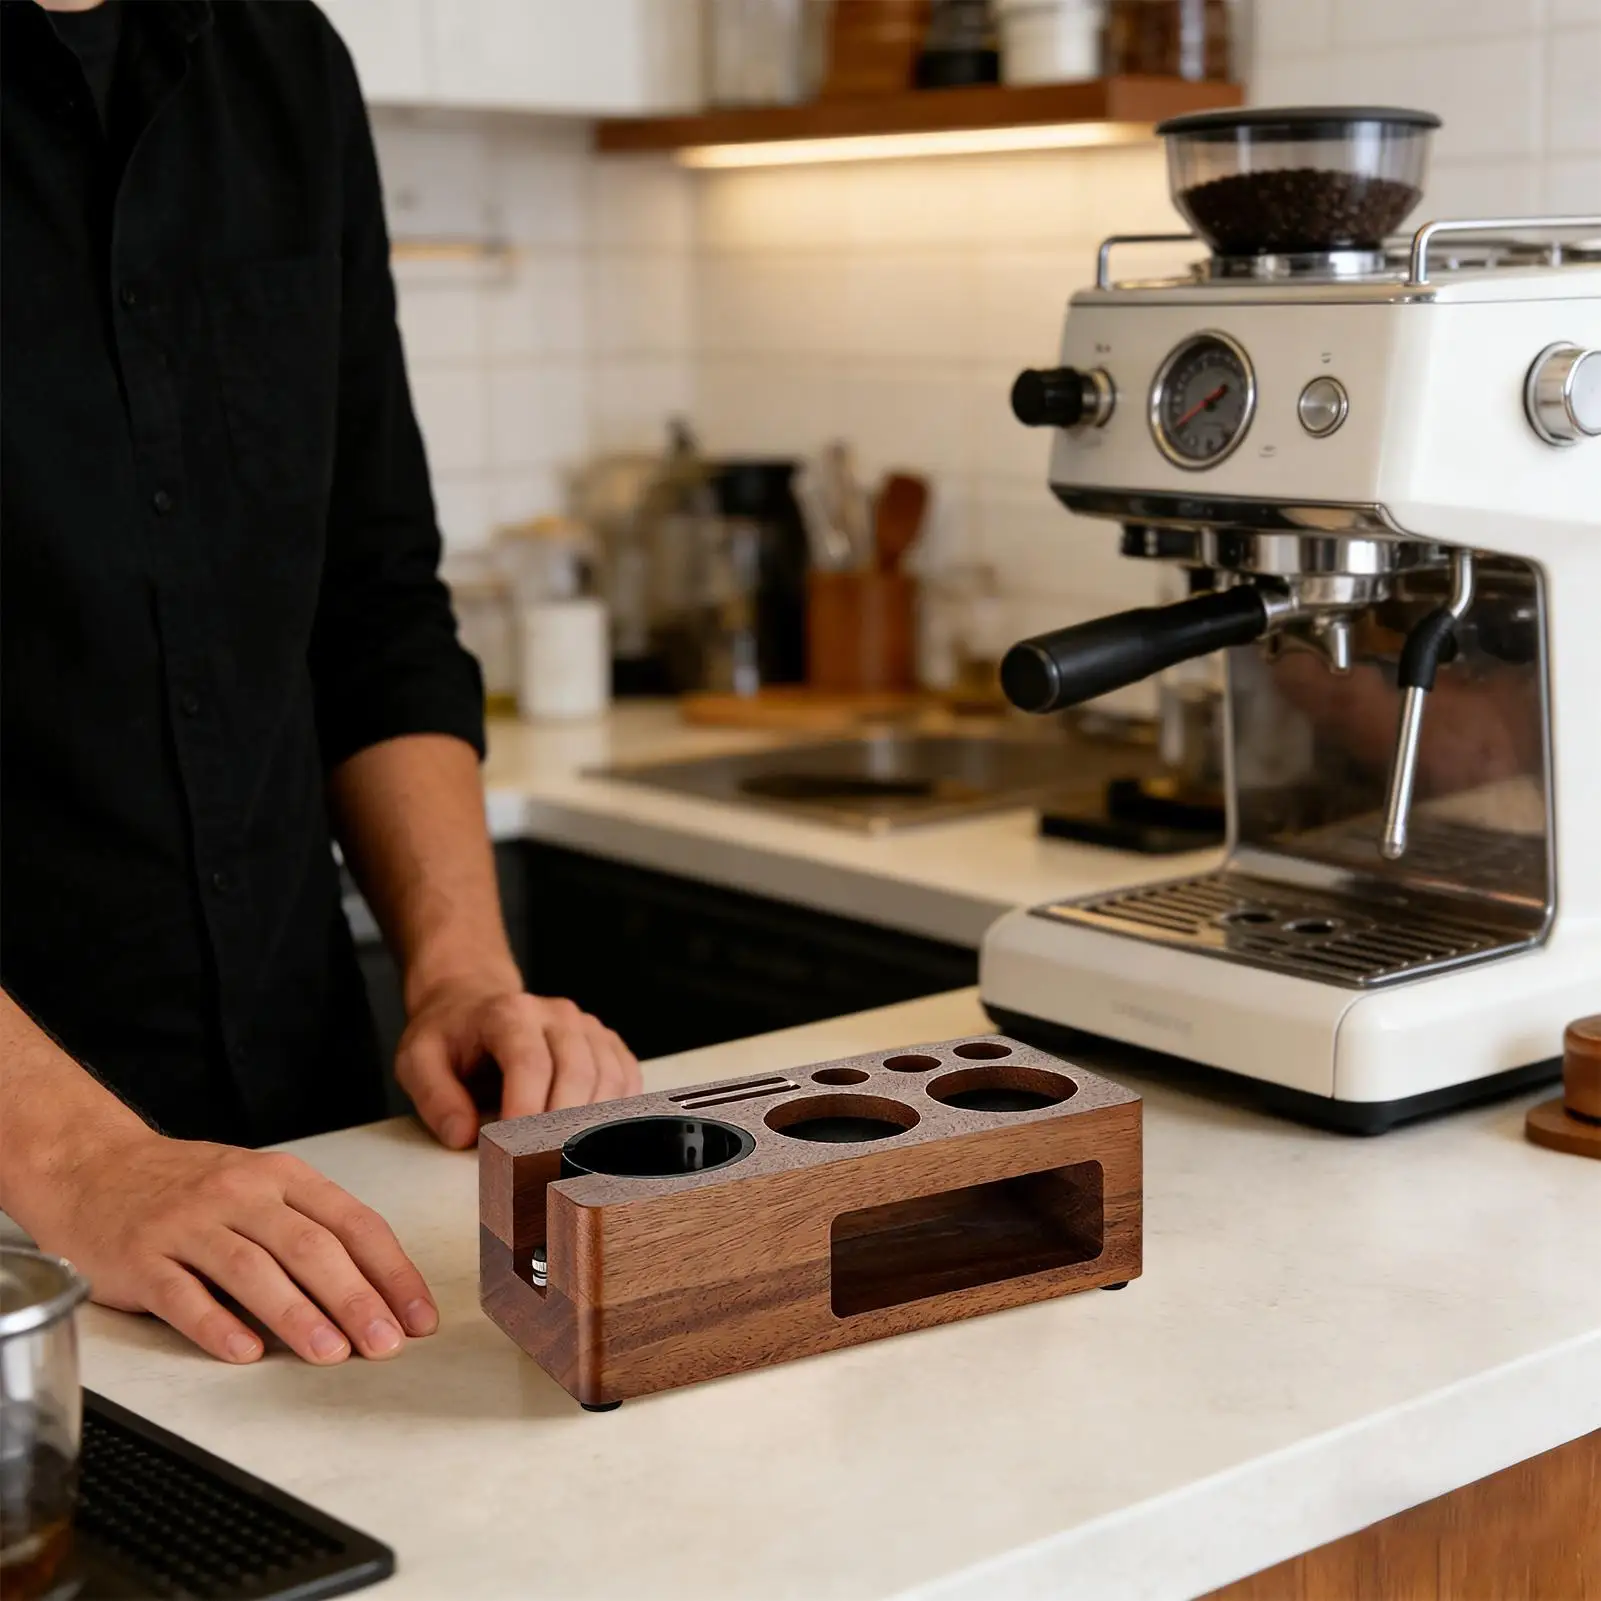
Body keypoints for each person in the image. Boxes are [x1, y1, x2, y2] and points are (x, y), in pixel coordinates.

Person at [0, 0, 639, 1368]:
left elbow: (371, 596)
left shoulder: (284, 63)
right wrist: (73, 1156)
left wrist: (459, 973)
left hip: (298, 1158)